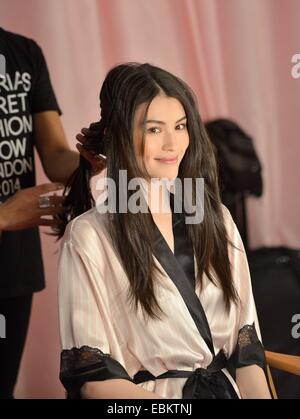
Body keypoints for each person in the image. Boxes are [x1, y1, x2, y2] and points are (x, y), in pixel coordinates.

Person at [57, 62, 272, 399]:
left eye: (181, 126)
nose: (173, 144)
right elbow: (94, 380)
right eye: (155, 130)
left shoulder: (217, 220)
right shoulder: (88, 238)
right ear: (119, 137)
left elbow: (247, 352)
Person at [0, 27, 104, 399]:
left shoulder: (22, 53)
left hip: (11, 265)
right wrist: (4, 215)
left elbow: (56, 156)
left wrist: (88, 162)